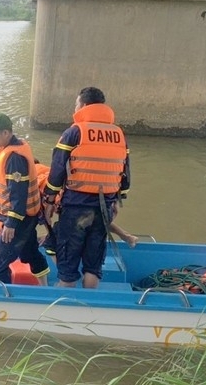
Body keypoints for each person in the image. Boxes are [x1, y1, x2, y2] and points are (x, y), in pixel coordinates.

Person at [42, 87, 131, 289]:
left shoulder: (74, 132)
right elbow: (125, 172)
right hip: (105, 206)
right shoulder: (119, 134)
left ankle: (64, 307)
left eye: (76, 104)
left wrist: (49, 200)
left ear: (82, 105)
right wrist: (118, 200)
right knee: (93, 266)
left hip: (76, 206)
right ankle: (89, 307)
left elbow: (57, 171)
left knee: (67, 267)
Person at [0, 112, 49, 285]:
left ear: (6, 133)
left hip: (18, 219)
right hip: (25, 218)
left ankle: (6, 298)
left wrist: (11, 223)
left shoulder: (14, 158)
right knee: (29, 253)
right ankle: (45, 287)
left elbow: (18, 192)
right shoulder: (5, 151)